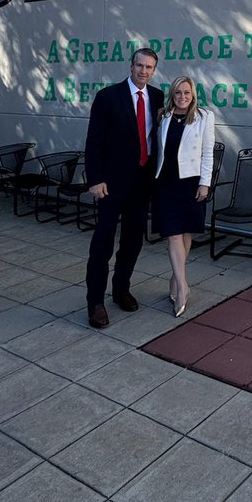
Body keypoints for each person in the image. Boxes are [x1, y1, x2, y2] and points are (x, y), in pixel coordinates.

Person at [84, 48, 164, 328]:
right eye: (139, 65)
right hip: (110, 184)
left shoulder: (157, 97)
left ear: (154, 70)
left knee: (133, 241)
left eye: (149, 67)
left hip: (142, 184)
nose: (143, 71)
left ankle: (120, 290)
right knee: (103, 243)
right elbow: (94, 140)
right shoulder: (108, 97)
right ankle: (95, 302)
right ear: (130, 66)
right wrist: (95, 178)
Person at [153, 75, 215, 316]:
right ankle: (182, 286)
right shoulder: (163, 116)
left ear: (193, 95)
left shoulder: (204, 117)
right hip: (166, 182)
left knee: (186, 232)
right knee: (173, 234)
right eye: (178, 93)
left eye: (186, 93)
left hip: (190, 182)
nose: (182, 97)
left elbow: (208, 153)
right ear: (172, 95)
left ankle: (175, 277)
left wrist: (205, 184)